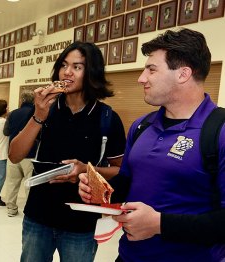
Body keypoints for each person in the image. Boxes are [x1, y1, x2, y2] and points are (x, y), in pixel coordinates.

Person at [79, 29, 225, 261]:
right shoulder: (141, 126)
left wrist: (160, 224)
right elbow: (127, 182)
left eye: (152, 69)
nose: (141, 78)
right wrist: (101, 191)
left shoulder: (219, 131)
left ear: (183, 74)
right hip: (129, 256)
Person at [9, 41, 126, 262]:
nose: (67, 72)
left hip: (81, 223)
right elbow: (15, 155)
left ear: (91, 72)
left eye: (77, 67)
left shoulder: (106, 117)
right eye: (64, 65)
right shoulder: (46, 108)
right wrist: (38, 115)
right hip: (38, 215)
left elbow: (121, 169)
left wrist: (86, 169)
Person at [3, 90, 36, 217]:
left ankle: (11, 209)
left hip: (13, 154)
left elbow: (6, 132)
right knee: (30, 184)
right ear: (33, 100)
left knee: (12, 183)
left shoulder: (12, 114)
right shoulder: (36, 113)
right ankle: (29, 210)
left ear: (21, 100)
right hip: (31, 154)